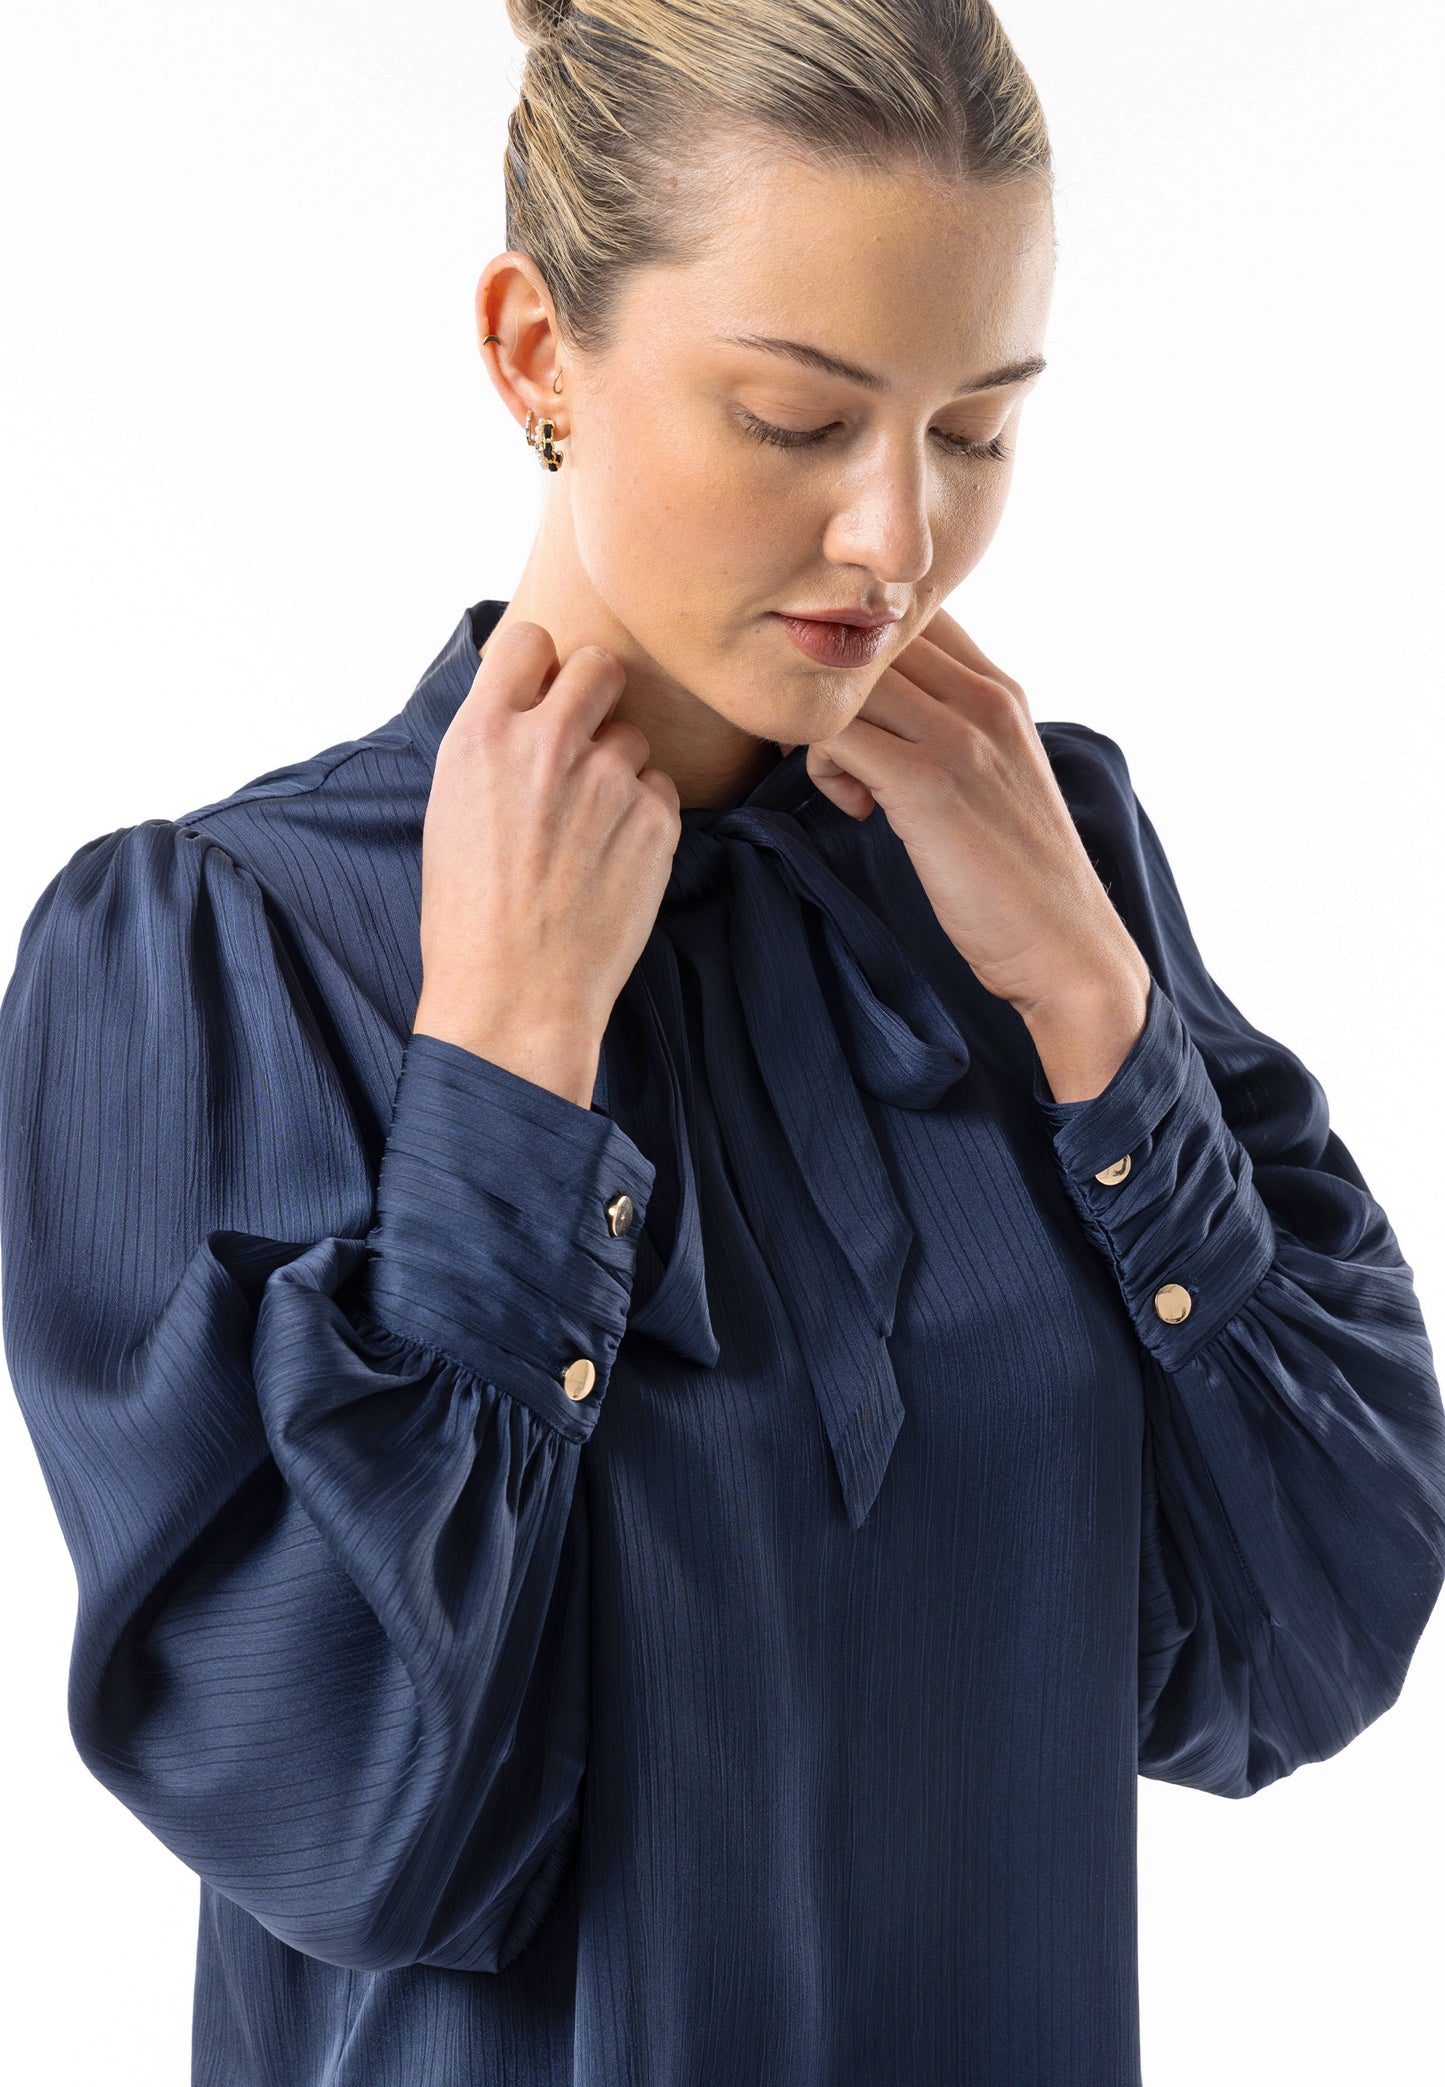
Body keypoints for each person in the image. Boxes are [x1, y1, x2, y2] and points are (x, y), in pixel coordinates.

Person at [2, 0, 1443, 2081]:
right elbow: (357, 1831)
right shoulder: (219, 952)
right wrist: (497, 1082)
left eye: (975, 430)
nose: (899, 540)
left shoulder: (1053, 871)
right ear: (533, 356)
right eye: (794, 419)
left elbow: (1308, 1645)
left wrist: (1098, 1018)